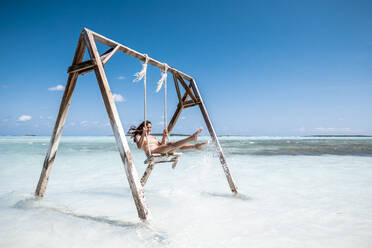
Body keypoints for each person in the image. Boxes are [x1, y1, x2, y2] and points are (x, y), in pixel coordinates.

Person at [128, 120, 208, 155]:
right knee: (171, 144)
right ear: (143, 127)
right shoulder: (138, 136)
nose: (149, 129)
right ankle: (191, 138)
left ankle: (195, 146)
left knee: (177, 146)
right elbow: (139, 146)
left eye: (150, 127)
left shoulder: (152, 137)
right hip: (152, 152)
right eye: (148, 127)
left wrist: (163, 136)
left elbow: (161, 145)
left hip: (159, 150)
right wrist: (143, 134)